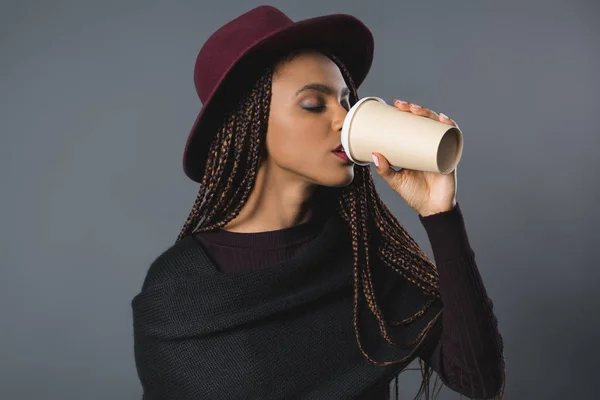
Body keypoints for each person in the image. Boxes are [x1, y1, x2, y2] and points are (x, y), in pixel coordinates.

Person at [131, 5, 506, 400]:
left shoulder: (365, 257)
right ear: (251, 124)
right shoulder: (178, 288)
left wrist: (439, 213)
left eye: (346, 101)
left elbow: (478, 380)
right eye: (314, 104)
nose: (344, 120)